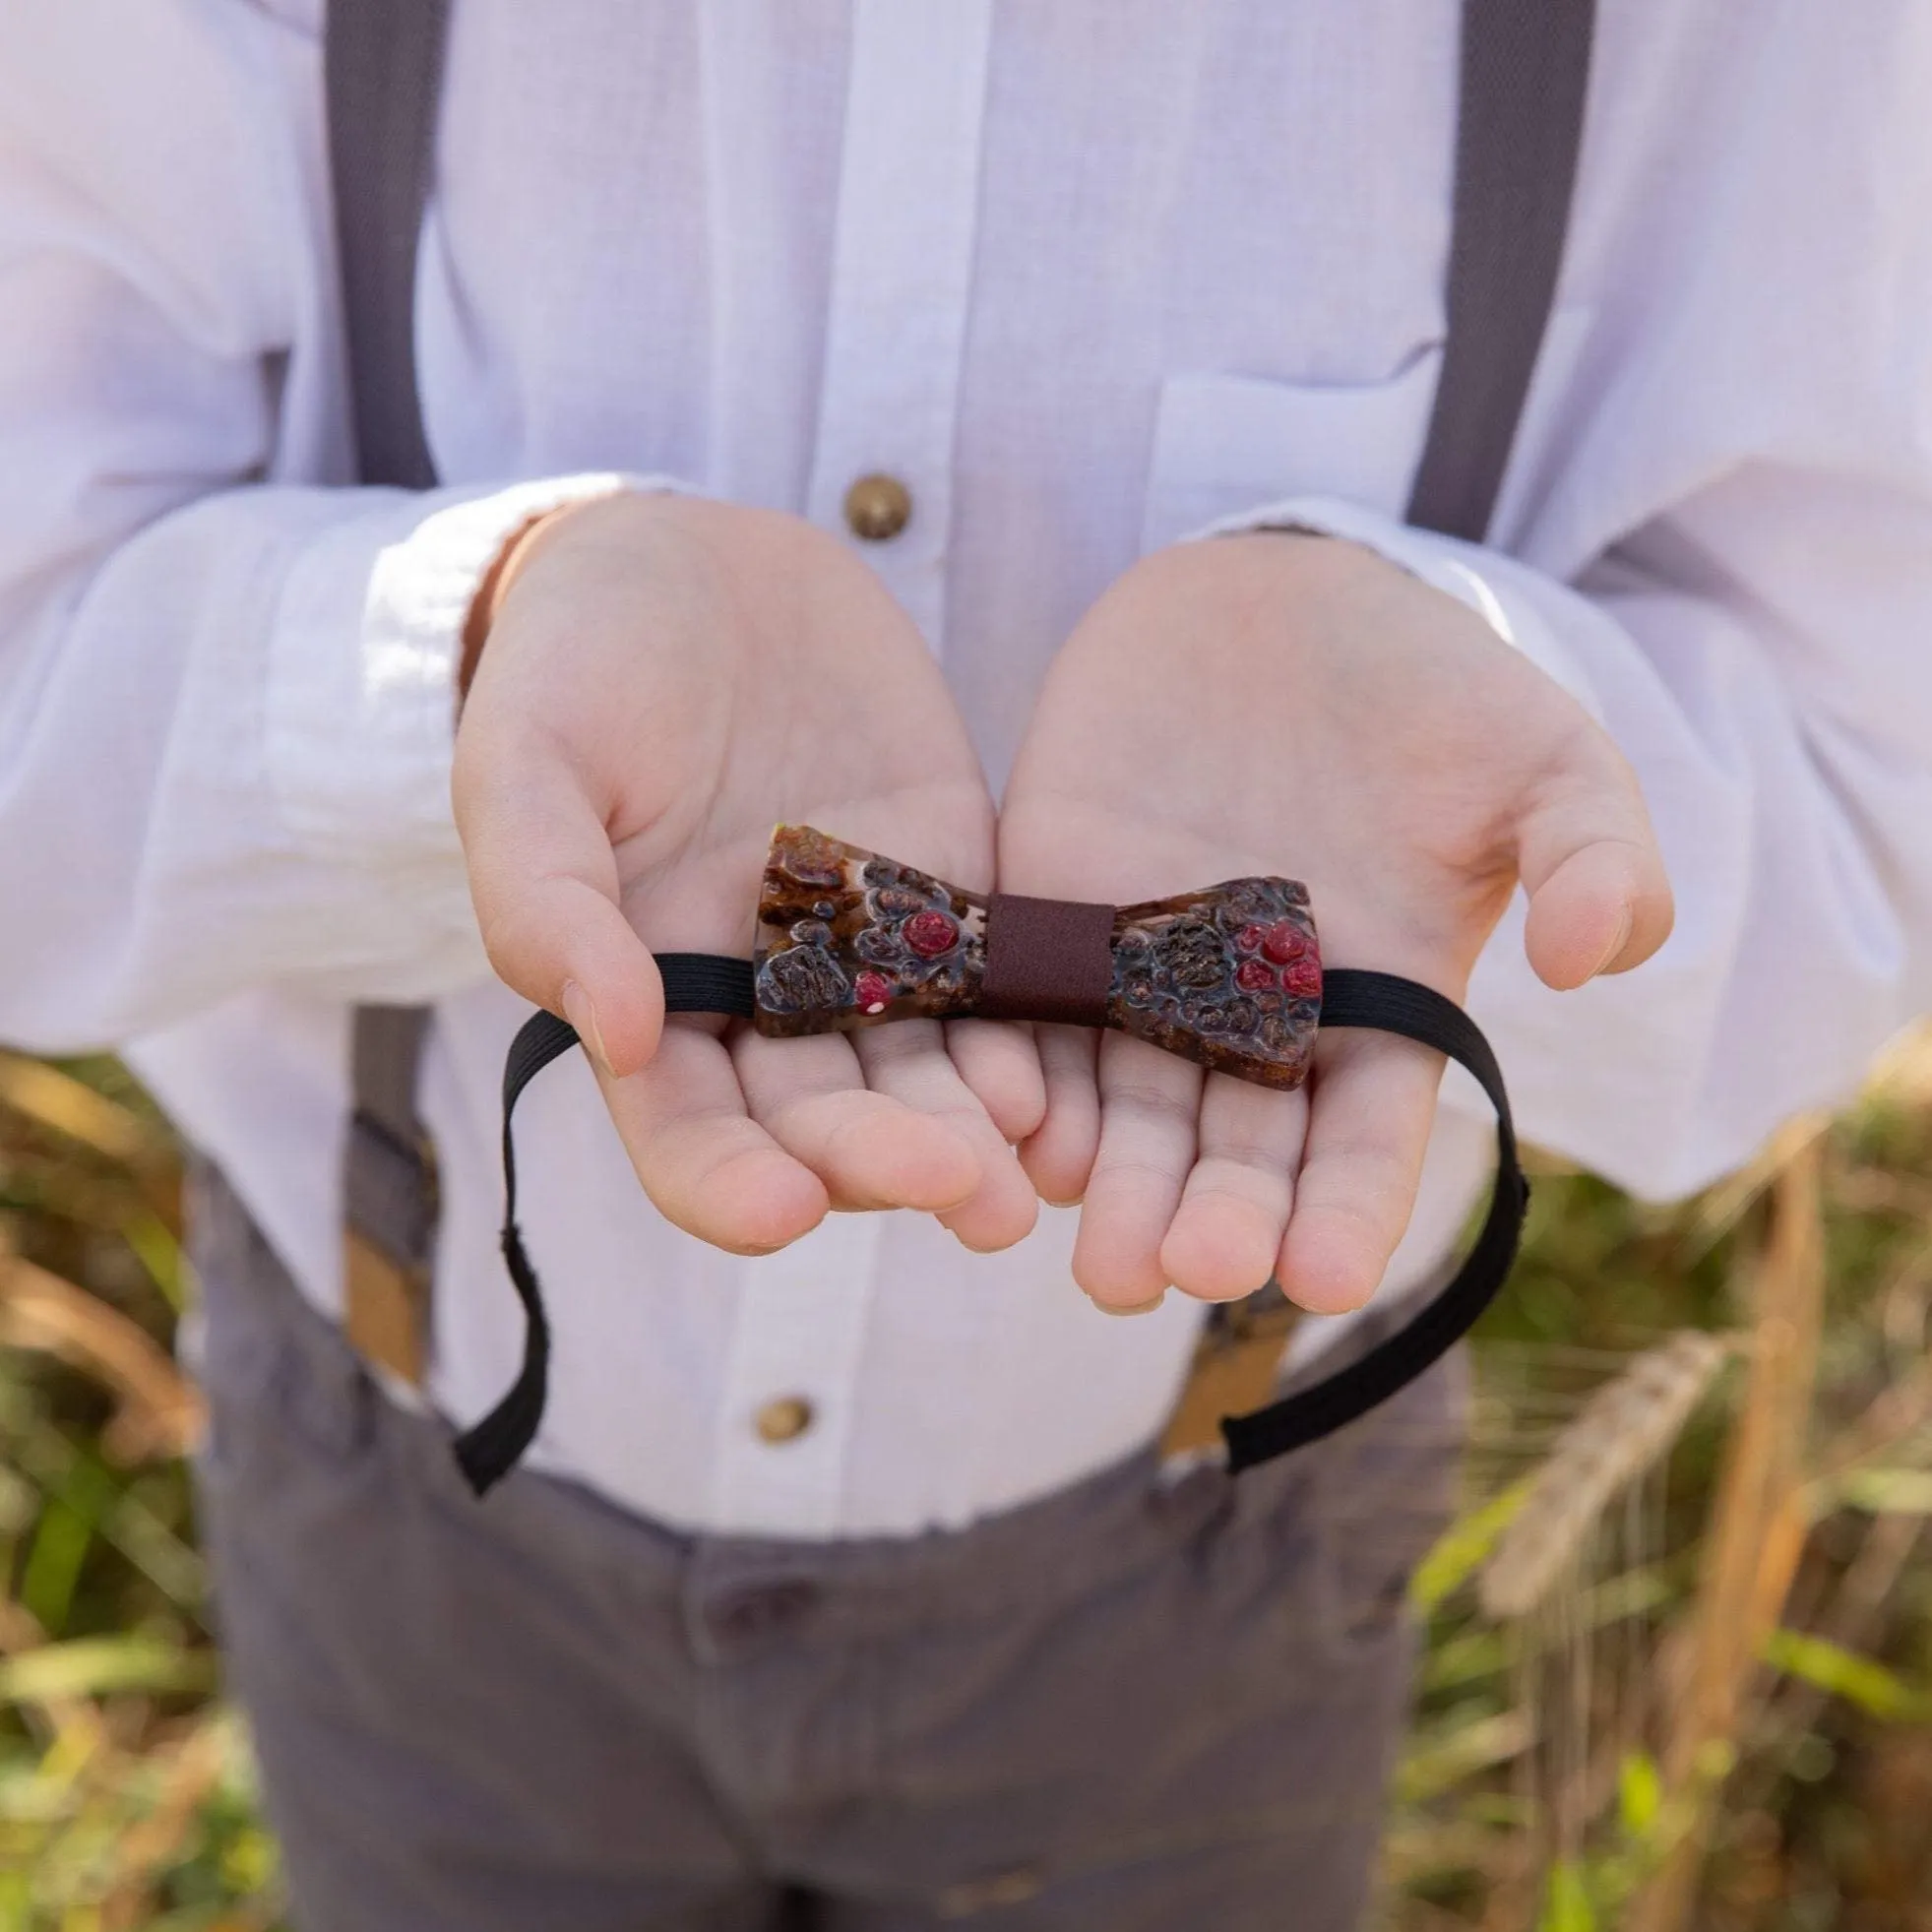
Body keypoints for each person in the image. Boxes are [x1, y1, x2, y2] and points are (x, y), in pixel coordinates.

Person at [1, 3, 1928, 1927]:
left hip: (1209, 1591)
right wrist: (476, 657)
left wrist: (1500, 722)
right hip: (406, 1512)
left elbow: (1858, 810)